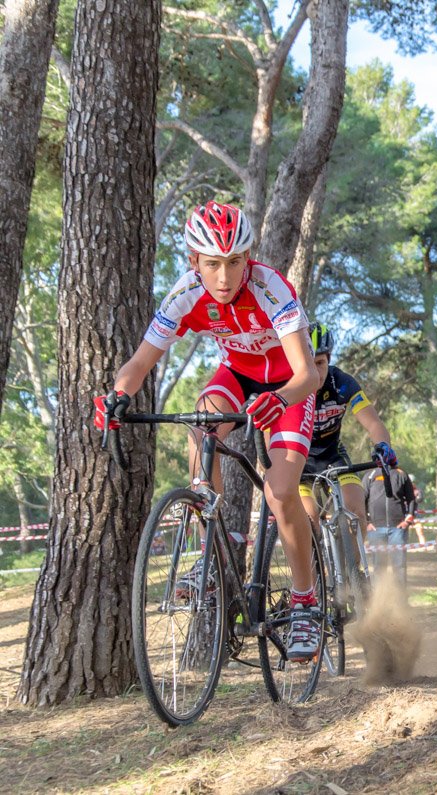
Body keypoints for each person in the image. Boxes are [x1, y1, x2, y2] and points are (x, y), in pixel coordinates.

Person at [93, 201, 321, 659]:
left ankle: (304, 602)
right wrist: (118, 395)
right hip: (237, 375)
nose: (224, 277)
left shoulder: (269, 286)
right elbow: (138, 363)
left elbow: (308, 375)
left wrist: (278, 399)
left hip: (287, 385)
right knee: (203, 416)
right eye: (213, 264)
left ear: (248, 258)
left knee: (279, 493)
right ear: (193, 261)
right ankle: (211, 558)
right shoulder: (184, 294)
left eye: (235, 262)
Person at [299, 322, 400, 561]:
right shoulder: (291, 384)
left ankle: (355, 571)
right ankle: (313, 584)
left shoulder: (341, 382)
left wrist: (383, 446)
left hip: (332, 455)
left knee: (355, 508)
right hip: (299, 462)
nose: (316, 371)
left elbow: (373, 423)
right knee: (309, 517)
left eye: (320, 363)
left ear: (329, 359)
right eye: (309, 363)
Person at [363, 467, 422, 543]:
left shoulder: (401, 473)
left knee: (397, 555)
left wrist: (407, 521)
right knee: (379, 555)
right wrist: (367, 523)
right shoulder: (370, 475)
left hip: (398, 528)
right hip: (375, 528)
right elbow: (361, 499)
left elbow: (411, 499)